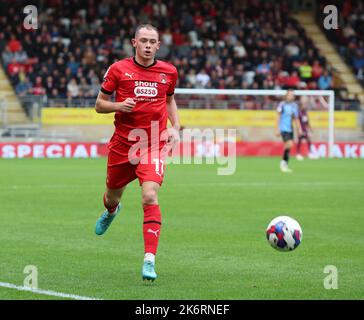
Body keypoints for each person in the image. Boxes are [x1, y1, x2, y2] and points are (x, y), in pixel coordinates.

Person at [93, 24, 180, 282]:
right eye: (143, 40)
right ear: (134, 42)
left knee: (149, 196)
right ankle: (112, 211)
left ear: (158, 45)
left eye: (152, 41)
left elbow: (170, 99)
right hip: (122, 145)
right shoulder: (118, 70)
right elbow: (99, 105)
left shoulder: (169, 72)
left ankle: (149, 260)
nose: (148, 45)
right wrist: (120, 105)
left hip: (153, 144)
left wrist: (176, 127)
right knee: (111, 196)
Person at [276, 89, 301, 173]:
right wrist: (277, 128)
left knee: (290, 146)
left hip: (290, 129)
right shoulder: (282, 105)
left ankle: (285, 163)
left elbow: (296, 118)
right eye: (289, 94)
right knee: (289, 144)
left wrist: (299, 128)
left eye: (292, 95)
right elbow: (278, 117)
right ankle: (283, 163)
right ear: (286, 95)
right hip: (283, 128)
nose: (291, 96)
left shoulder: (294, 106)